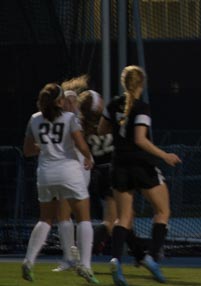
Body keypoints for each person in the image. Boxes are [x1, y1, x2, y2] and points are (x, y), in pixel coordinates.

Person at [99, 65, 181, 286]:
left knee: (123, 217)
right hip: (139, 164)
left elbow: (101, 130)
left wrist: (117, 128)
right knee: (163, 211)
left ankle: (116, 258)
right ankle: (152, 258)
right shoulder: (142, 107)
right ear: (141, 84)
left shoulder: (112, 104)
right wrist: (165, 155)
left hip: (118, 164)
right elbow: (140, 139)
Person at [22, 83, 98, 284]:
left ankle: (29, 261)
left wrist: (47, 146)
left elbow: (28, 150)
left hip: (45, 174)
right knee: (84, 218)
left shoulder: (34, 119)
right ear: (58, 101)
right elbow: (80, 144)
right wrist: (88, 157)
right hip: (69, 172)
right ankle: (86, 266)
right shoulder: (69, 118)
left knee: (45, 219)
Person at [77, 89, 147, 262]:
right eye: (99, 98)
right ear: (96, 104)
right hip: (114, 172)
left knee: (126, 218)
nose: (102, 99)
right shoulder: (109, 121)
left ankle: (141, 256)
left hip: (100, 174)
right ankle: (80, 253)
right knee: (112, 222)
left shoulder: (83, 127)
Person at [51, 74, 91, 272]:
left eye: (73, 100)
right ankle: (69, 257)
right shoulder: (57, 121)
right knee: (63, 213)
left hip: (79, 169)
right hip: (64, 168)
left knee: (78, 213)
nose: (70, 103)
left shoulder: (78, 120)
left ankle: (82, 260)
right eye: (66, 100)